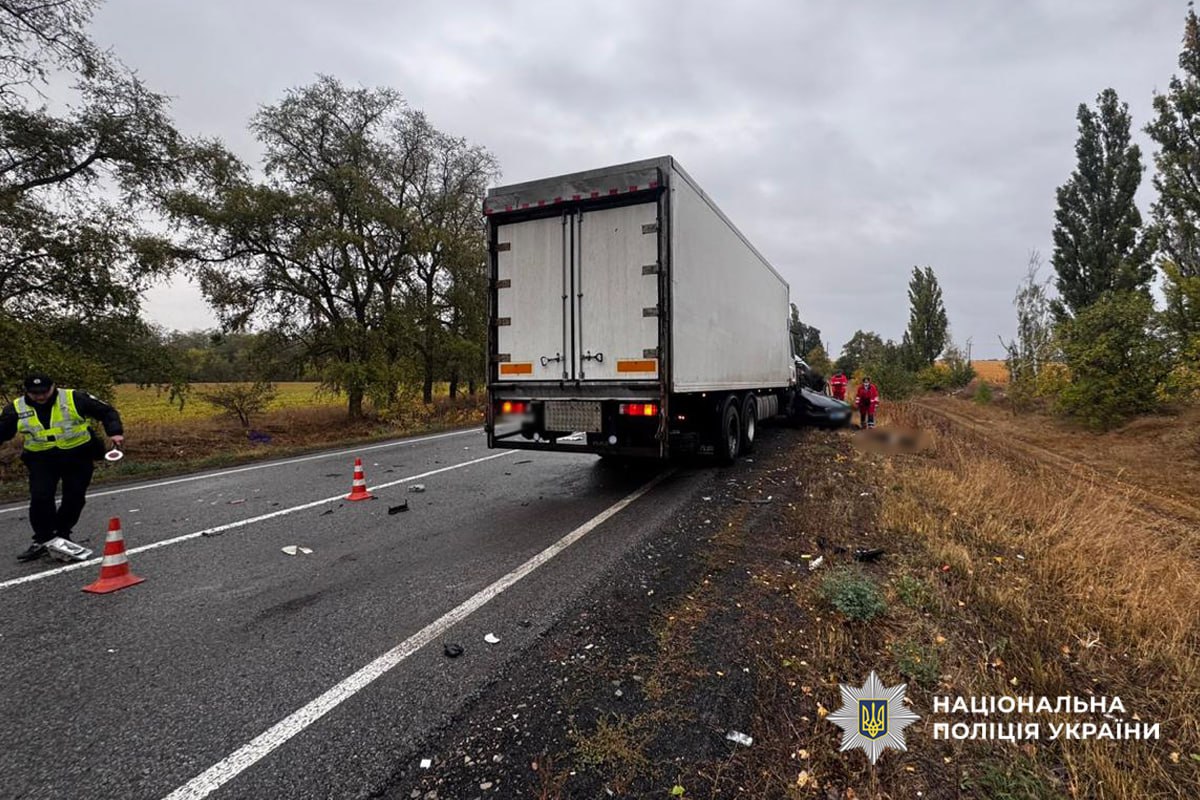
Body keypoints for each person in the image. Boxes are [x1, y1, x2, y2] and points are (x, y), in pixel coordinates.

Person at [0, 373, 124, 561]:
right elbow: (3, 431)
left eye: (44, 392)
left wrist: (115, 432)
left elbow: (107, 412)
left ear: (53, 387)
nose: (40, 397)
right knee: (41, 497)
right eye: (35, 393)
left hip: (78, 455)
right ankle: (43, 539)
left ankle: (62, 534)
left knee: (74, 497)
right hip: (41, 458)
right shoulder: (16, 408)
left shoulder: (74, 398)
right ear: (27, 392)